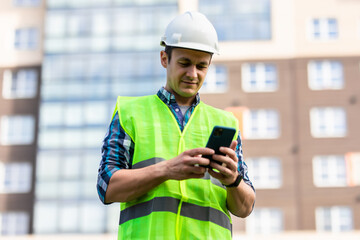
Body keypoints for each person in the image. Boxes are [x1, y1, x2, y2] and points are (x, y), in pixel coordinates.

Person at [97, 11, 255, 239]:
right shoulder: (130, 112)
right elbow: (107, 187)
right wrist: (167, 170)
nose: (193, 74)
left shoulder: (226, 123)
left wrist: (233, 180)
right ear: (164, 58)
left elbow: (245, 208)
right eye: (184, 63)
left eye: (202, 66)